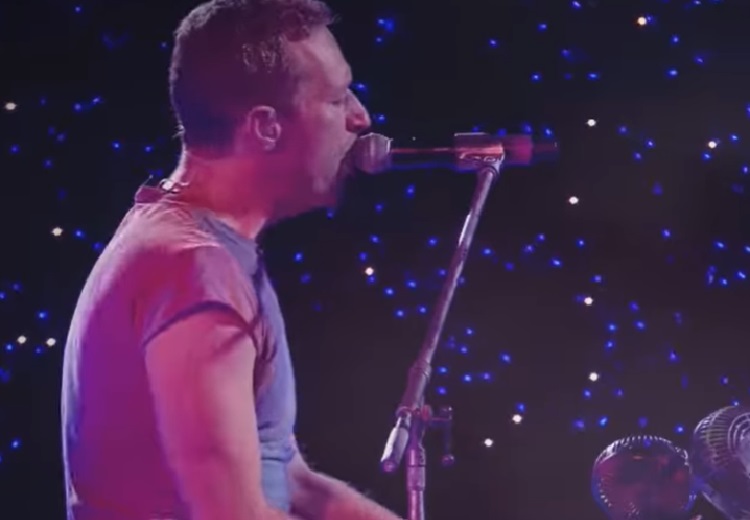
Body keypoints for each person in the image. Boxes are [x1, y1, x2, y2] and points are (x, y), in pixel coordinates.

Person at [60, 0, 403, 519]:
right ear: (265, 127)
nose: (361, 117)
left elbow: (289, 476)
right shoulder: (190, 268)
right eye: (337, 100)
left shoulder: (212, 252)